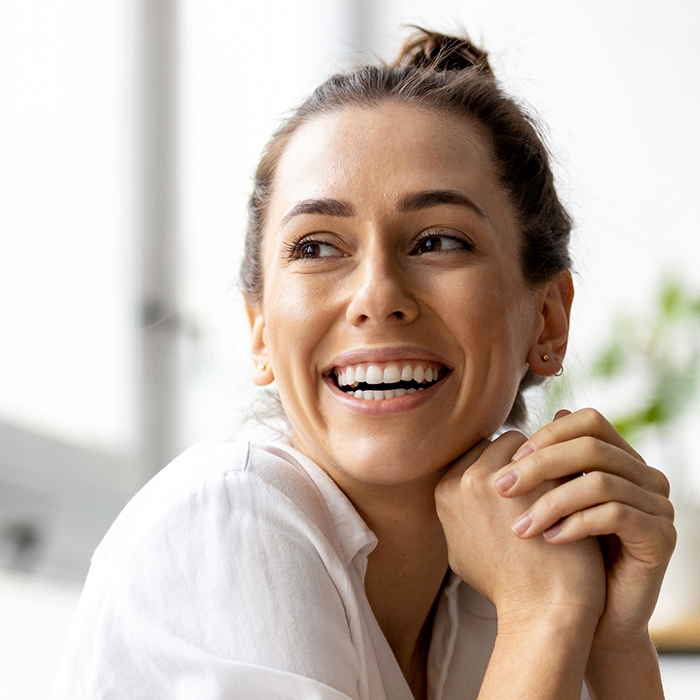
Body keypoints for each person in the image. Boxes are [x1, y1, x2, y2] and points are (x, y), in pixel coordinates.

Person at [51, 29, 676, 700]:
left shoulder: (509, 569)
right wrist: (543, 621)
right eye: (317, 248)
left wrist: (612, 640)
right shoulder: (223, 523)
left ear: (548, 318)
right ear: (259, 329)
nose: (377, 296)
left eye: (438, 241)